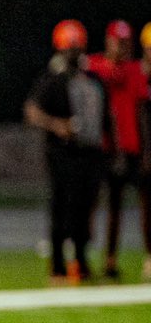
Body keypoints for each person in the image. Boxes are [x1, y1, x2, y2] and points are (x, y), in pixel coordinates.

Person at [24, 20, 110, 285]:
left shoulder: (91, 78)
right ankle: (59, 265)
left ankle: (81, 262)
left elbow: (103, 115)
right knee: (63, 208)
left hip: (89, 152)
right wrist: (58, 126)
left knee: (85, 208)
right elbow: (32, 111)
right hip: (63, 154)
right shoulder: (52, 80)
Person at [86, 20, 148, 280]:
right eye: (117, 42)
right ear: (108, 41)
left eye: (126, 43)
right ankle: (92, 256)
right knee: (97, 204)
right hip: (104, 148)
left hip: (132, 148)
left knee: (145, 206)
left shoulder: (136, 71)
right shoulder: (95, 67)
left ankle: (144, 257)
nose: (121, 47)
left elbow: (142, 113)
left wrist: (146, 153)